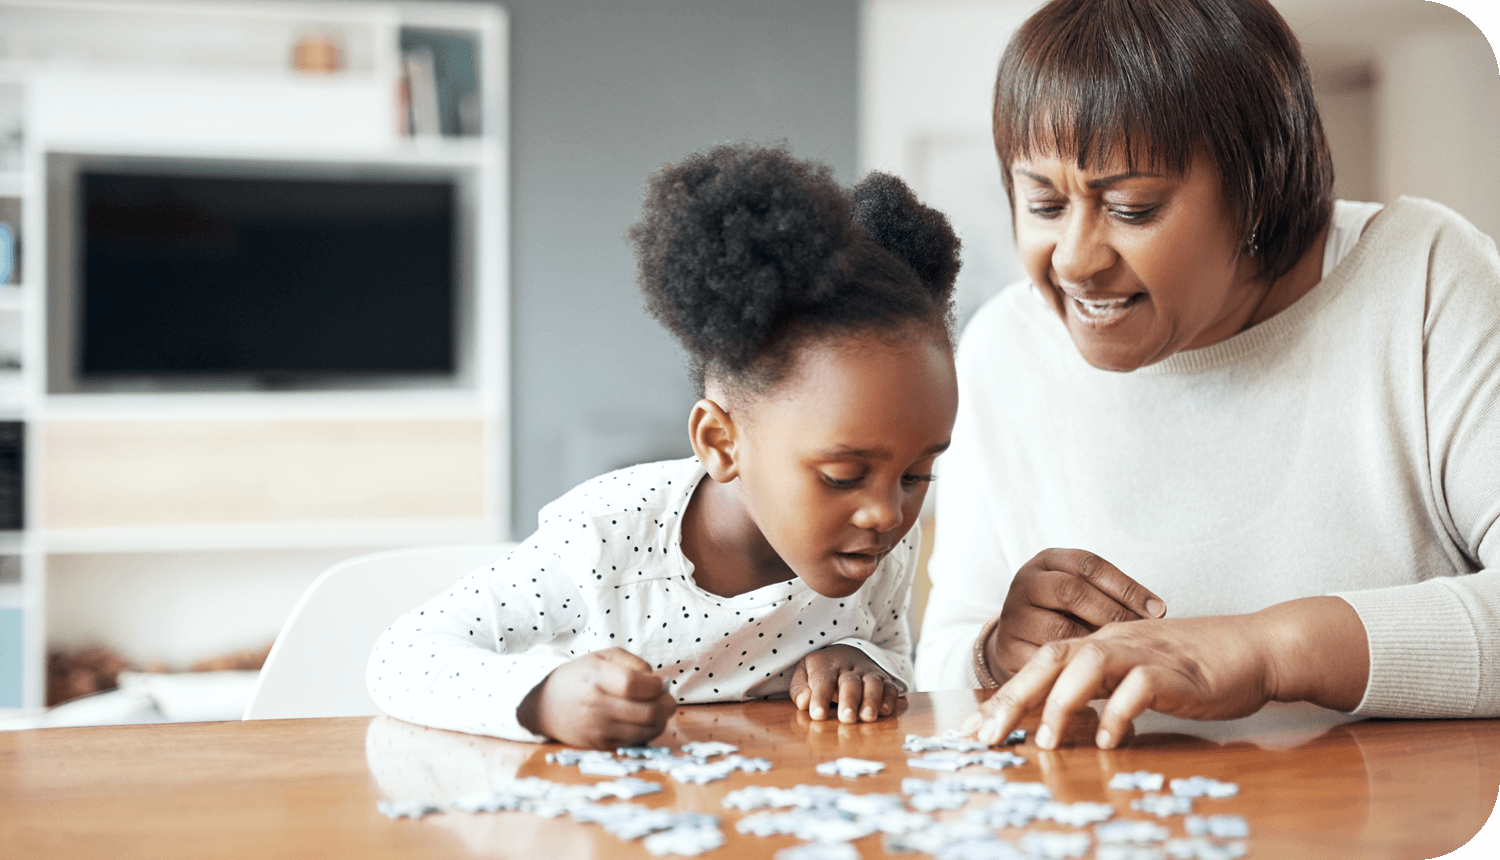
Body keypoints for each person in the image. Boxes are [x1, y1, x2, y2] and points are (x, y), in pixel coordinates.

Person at [914, 0, 1500, 750]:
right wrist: (996, 654)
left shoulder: (1424, 281)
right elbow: (941, 663)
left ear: (1259, 185)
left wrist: (1268, 649)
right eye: (1045, 203)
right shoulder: (1000, 351)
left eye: (1131, 207)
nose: (1073, 259)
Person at [369, 143, 962, 748]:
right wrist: (543, 698)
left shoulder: (881, 541)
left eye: (917, 475)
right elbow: (402, 657)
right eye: (842, 475)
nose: (887, 512)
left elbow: (893, 653)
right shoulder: (603, 538)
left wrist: (865, 665)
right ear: (721, 443)